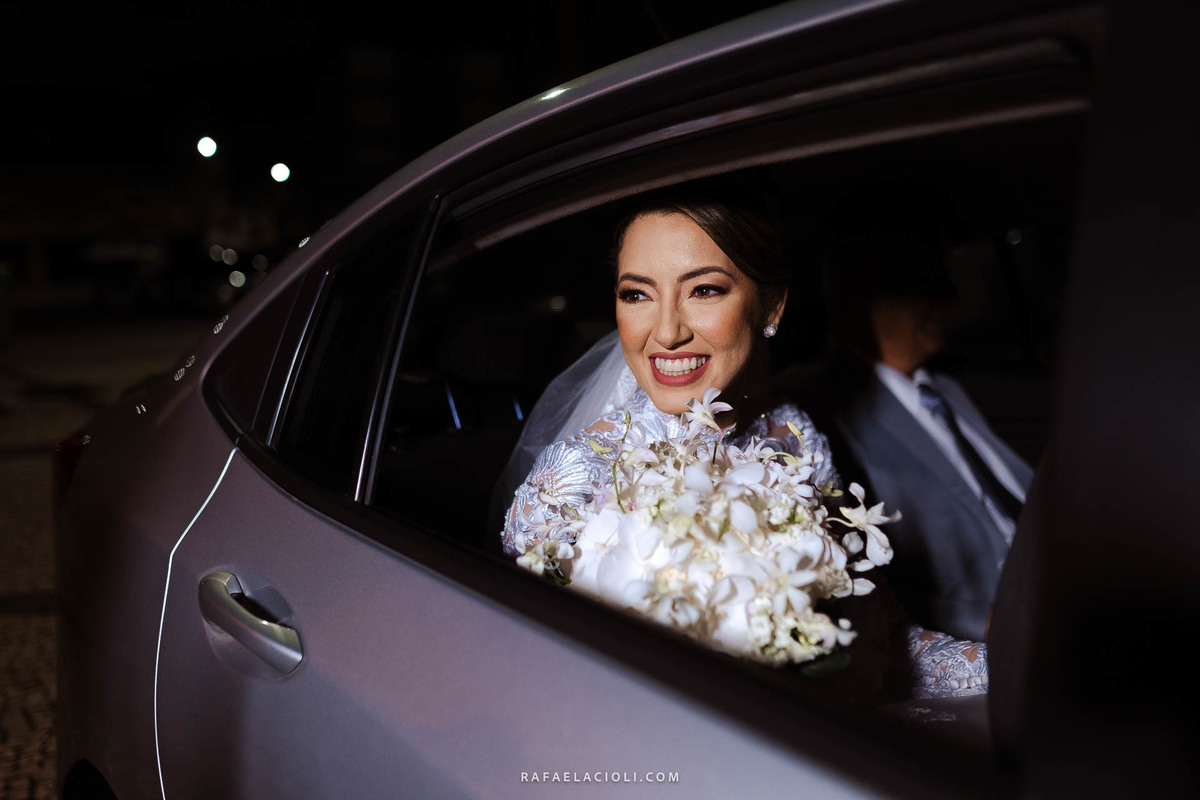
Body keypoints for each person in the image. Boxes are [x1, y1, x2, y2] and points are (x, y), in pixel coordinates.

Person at [499, 189, 988, 700]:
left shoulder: (793, 434)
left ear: (771, 306)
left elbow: (879, 635)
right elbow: (531, 675)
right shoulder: (575, 475)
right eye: (637, 295)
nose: (666, 332)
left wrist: (1005, 666)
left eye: (704, 290)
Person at [800, 180, 1035, 643]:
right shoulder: (823, 411)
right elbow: (860, 578)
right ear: (863, 289)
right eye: (928, 278)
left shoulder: (943, 388)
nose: (950, 299)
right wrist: (992, 621)